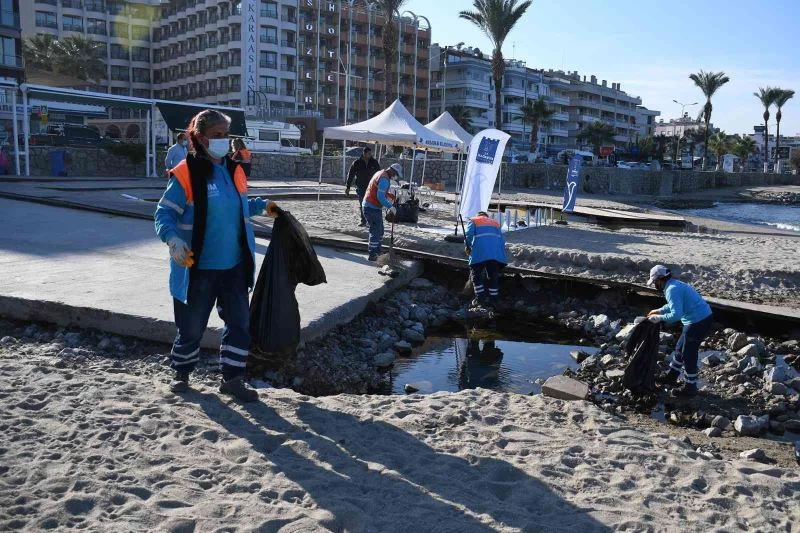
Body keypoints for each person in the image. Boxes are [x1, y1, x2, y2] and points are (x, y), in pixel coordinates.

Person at [154, 109, 279, 402]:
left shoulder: (233, 170)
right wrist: (172, 240)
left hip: (234, 265)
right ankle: (182, 373)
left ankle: (232, 379)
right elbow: (163, 215)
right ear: (200, 137)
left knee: (239, 324)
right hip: (198, 268)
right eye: (217, 135)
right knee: (192, 326)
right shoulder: (186, 173)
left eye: (226, 135)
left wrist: (263, 206)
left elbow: (237, 206)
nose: (224, 141)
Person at [646, 264, 713, 398]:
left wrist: (659, 318)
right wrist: (659, 310)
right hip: (695, 319)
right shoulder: (674, 285)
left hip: (698, 321)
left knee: (688, 354)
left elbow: (676, 315)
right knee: (679, 349)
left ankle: (690, 388)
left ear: (660, 279)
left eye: (655, 282)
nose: (655, 285)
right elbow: (673, 305)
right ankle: (672, 376)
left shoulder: (671, 289)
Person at [465, 211, 507, 308]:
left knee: (476, 275)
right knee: (493, 276)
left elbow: (468, 235)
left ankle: (480, 298)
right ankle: (494, 298)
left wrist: (467, 246)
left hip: (480, 252)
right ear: (486, 217)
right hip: (495, 254)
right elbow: (502, 240)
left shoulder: (473, 220)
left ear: (478, 215)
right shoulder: (495, 223)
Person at [362, 163, 402, 261]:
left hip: (370, 206)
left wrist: (389, 196)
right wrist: (391, 207)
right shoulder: (384, 179)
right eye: (396, 174)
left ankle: (378, 251)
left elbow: (379, 191)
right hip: (372, 207)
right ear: (392, 171)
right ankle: (373, 254)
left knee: (380, 230)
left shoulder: (380, 173)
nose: (395, 176)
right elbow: (380, 197)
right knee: (375, 230)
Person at [345, 146, 381, 226]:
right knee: (362, 204)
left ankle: (370, 221)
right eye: (368, 154)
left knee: (371, 205)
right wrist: (348, 187)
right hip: (360, 187)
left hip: (371, 188)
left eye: (370, 153)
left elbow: (379, 174)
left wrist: (379, 186)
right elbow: (350, 175)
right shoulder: (357, 162)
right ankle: (363, 221)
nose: (370, 155)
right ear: (364, 154)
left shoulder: (374, 162)